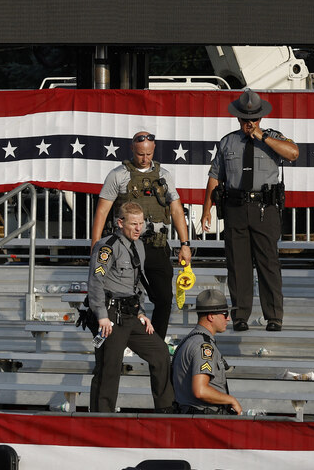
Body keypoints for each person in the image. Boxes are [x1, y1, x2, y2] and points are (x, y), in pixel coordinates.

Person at [201, 89, 299, 332]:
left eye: (253, 119)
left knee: (268, 263)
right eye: (245, 120)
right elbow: (215, 178)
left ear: (260, 119)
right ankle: (240, 315)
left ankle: (273, 316)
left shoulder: (273, 138)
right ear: (238, 119)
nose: (249, 123)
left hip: (264, 208)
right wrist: (206, 210)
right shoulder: (228, 142)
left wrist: (262, 136)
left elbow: (293, 153)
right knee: (238, 264)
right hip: (235, 207)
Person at [91, 130, 192, 339]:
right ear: (132, 150)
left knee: (164, 299)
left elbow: (176, 209)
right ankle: (123, 340)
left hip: (156, 245)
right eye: (140, 155)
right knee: (124, 297)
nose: (145, 159)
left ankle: (156, 343)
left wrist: (185, 243)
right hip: (126, 248)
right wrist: (95, 244)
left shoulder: (164, 176)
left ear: (153, 150)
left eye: (148, 154)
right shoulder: (118, 175)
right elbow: (102, 210)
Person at [88, 201, 175, 413]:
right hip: (110, 314)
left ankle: (165, 409)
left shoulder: (138, 246)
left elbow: (138, 283)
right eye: (133, 223)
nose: (139, 228)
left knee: (160, 352)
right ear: (120, 223)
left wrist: (142, 312)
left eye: (141, 223)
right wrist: (101, 316)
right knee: (109, 367)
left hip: (131, 313)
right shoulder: (106, 247)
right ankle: (101, 417)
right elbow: (95, 283)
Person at [171, 289, 243, 415]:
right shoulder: (204, 346)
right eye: (225, 314)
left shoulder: (190, 340)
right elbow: (200, 390)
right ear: (211, 316)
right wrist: (231, 400)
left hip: (191, 416)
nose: (229, 319)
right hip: (203, 418)